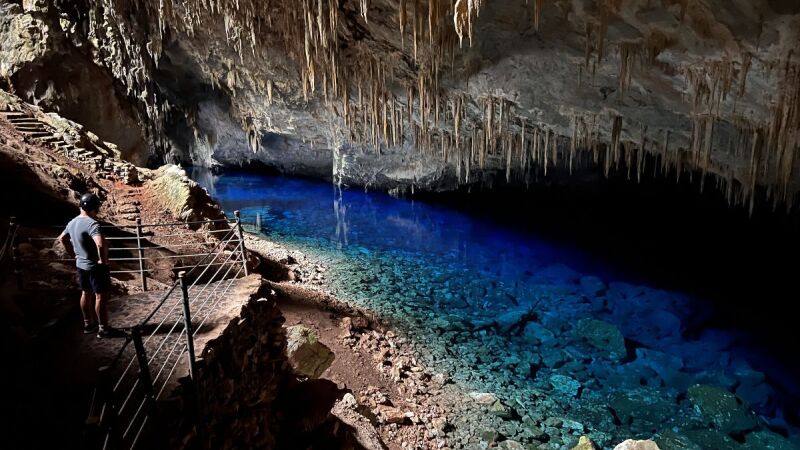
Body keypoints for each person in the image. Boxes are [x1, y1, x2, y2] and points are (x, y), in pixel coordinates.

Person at [58, 193, 125, 338]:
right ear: (95, 208)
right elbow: (100, 244)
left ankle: (88, 324)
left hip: (81, 265)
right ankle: (103, 329)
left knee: (85, 293)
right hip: (95, 268)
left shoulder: (72, 222)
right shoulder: (92, 224)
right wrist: (103, 260)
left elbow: (62, 238)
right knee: (100, 297)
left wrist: (73, 254)